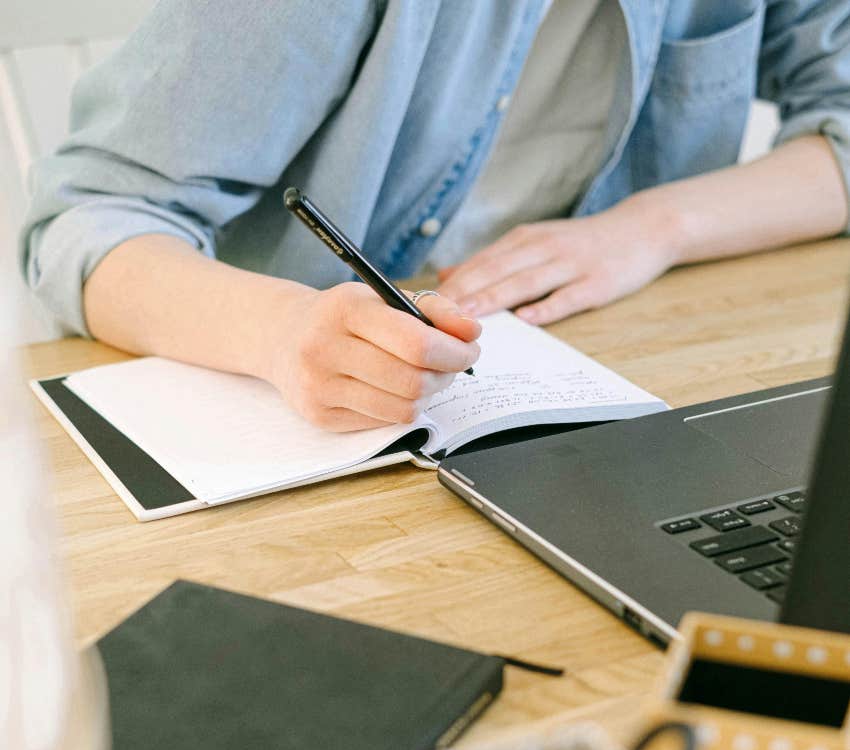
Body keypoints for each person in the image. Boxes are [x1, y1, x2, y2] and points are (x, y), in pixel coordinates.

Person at [21, 2, 850, 433]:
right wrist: (280, 333)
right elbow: (87, 221)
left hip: (621, 393)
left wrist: (651, 229)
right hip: (315, 435)